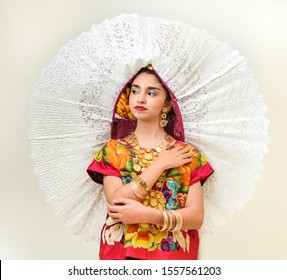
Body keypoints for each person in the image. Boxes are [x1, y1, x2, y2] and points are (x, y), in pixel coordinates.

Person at [87, 65, 214, 260]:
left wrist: (148, 215)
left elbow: (196, 218)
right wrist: (160, 164)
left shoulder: (186, 154)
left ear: (167, 105)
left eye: (151, 93)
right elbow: (116, 203)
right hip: (121, 255)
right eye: (135, 91)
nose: (140, 98)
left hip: (171, 258)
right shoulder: (113, 150)